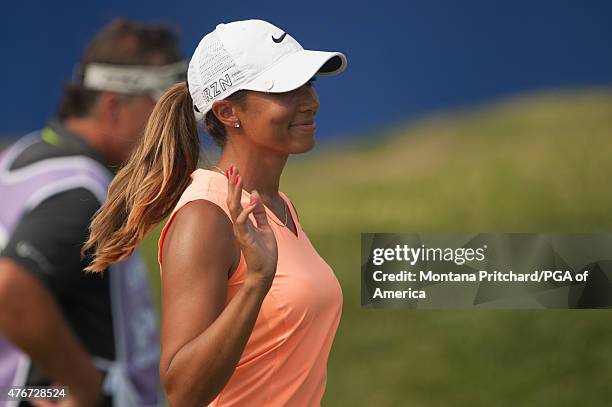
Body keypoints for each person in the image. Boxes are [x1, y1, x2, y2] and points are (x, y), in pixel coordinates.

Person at [83, 19, 347, 406]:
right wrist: (256, 282)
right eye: (286, 89)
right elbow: (182, 390)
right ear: (226, 112)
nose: (309, 101)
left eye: (309, 84)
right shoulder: (205, 216)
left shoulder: (278, 205)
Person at [0, 18, 185, 407]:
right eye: (163, 106)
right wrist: (80, 384)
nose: (173, 125)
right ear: (114, 106)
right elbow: (10, 288)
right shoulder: (77, 191)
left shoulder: (25, 157)